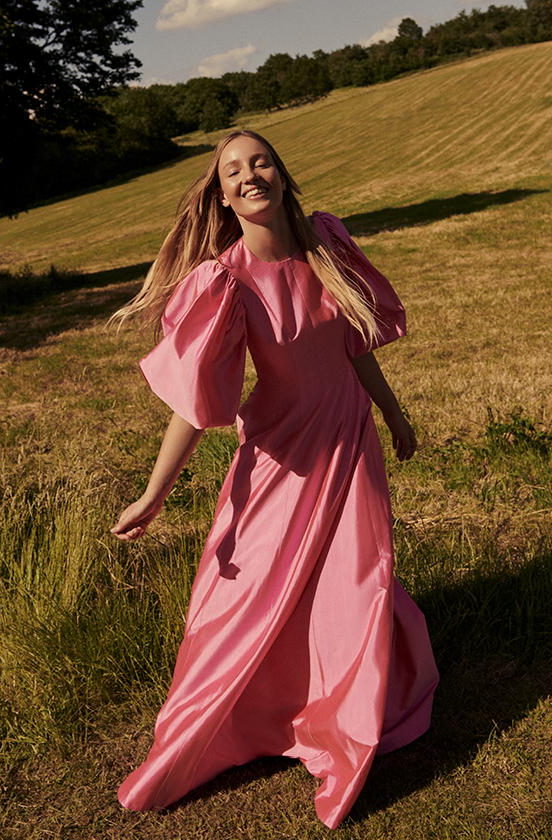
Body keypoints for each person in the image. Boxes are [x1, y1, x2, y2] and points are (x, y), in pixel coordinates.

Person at [111, 130, 438, 830]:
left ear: (282, 176)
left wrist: (395, 416)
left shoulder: (324, 242)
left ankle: (347, 707)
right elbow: (194, 407)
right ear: (223, 196)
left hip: (348, 439)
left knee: (353, 578)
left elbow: (353, 347)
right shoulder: (225, 280)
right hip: (280, 456)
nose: (249, 175)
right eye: (233, 170)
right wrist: (154, 493)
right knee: (244, 597)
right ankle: (227, 724)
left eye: (260, 161)